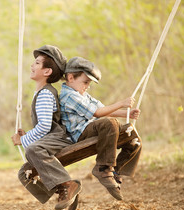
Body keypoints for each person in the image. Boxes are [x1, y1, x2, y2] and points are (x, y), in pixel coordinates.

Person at [59, 56, 142, 200]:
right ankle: (103, 167)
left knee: (133, 140)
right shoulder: (68, 96)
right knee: (109, 123)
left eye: (89, 83)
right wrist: (122, 103)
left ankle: (116, 172)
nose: (87, 86)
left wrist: (126, 113)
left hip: (91, 129)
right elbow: (97, 113)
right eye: (85, 82)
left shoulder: (82, 94)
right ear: (71, 77)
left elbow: (102, 108)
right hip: (79, 135)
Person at [11, 45, 81, 210]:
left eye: (37, 63)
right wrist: (29, 135)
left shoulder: (45, 94)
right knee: (25, 173)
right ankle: (63, 190)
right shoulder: (41, 93)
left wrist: (23, 140)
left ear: (47, 71)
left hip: (59, 138)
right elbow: (43, 127)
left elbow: (44, 126)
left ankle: (67, 185)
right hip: (50, 139)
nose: (32, 66)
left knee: (32, 150)